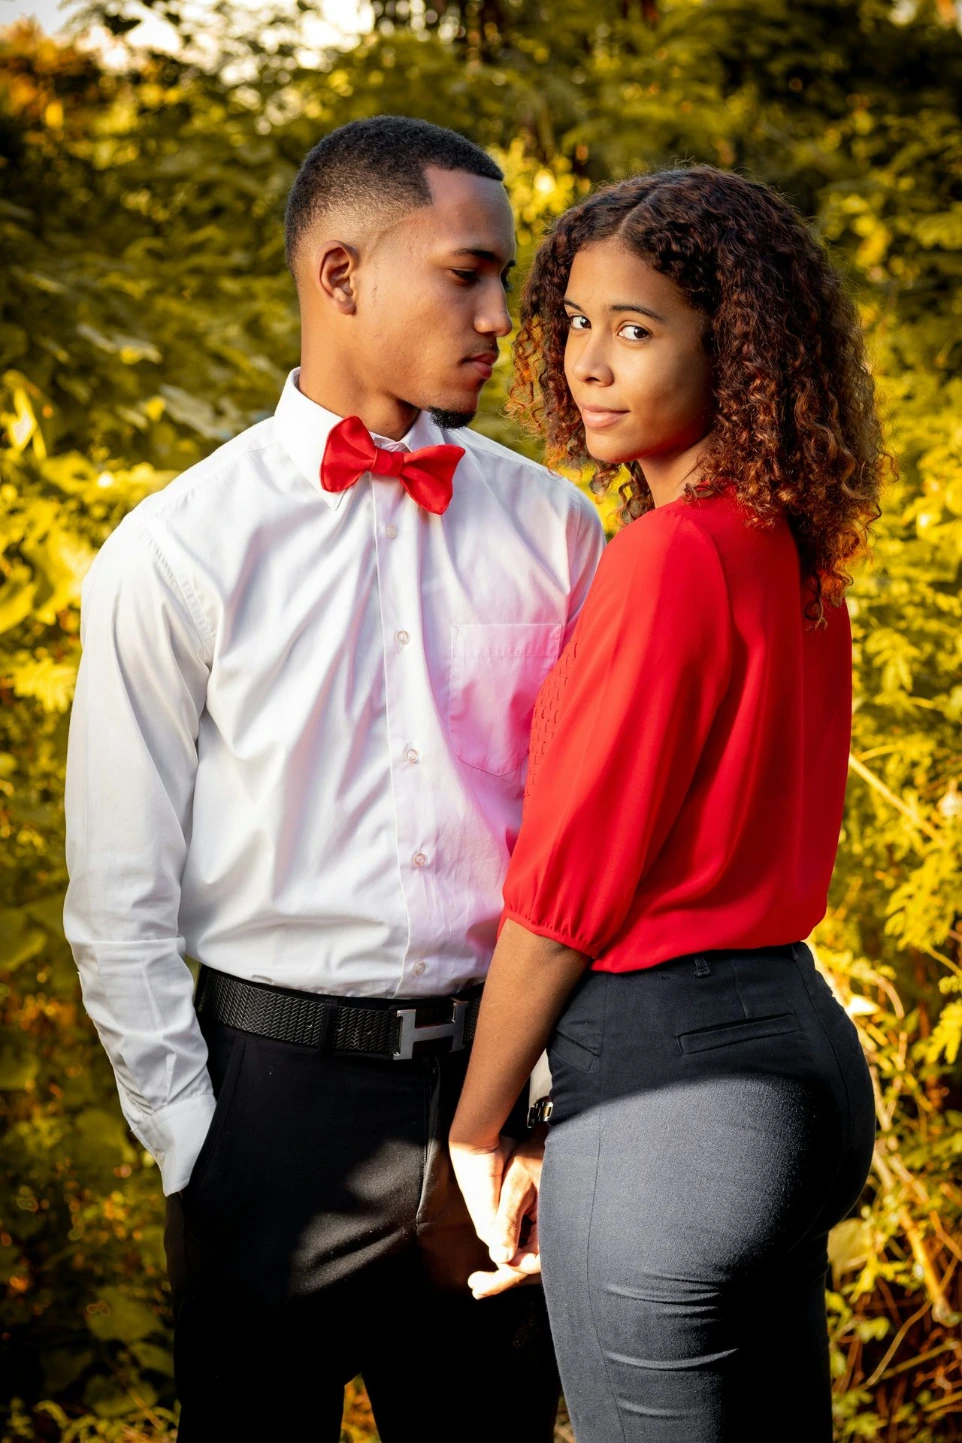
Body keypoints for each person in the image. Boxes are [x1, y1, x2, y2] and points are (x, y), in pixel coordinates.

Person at [63, 116, 605, 1441]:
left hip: (496, 1092)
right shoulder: (178, 548)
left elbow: (595, 843)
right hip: (265, 1108)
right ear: (342, 273)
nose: (500, 315)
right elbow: (118, 888)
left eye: (507, 278)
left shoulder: (554, 528)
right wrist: (191, 1138)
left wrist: (547, 1102)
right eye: (464, 273)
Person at [449, 166, 884, 1442]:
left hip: (668, 1096)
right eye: (575, 321)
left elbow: (564, 896)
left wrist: (480, 1125)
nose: (588, 361)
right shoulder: (785, 547)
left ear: (731, 349)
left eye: (634, 330)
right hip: (786, 1060)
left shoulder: (666, 557)